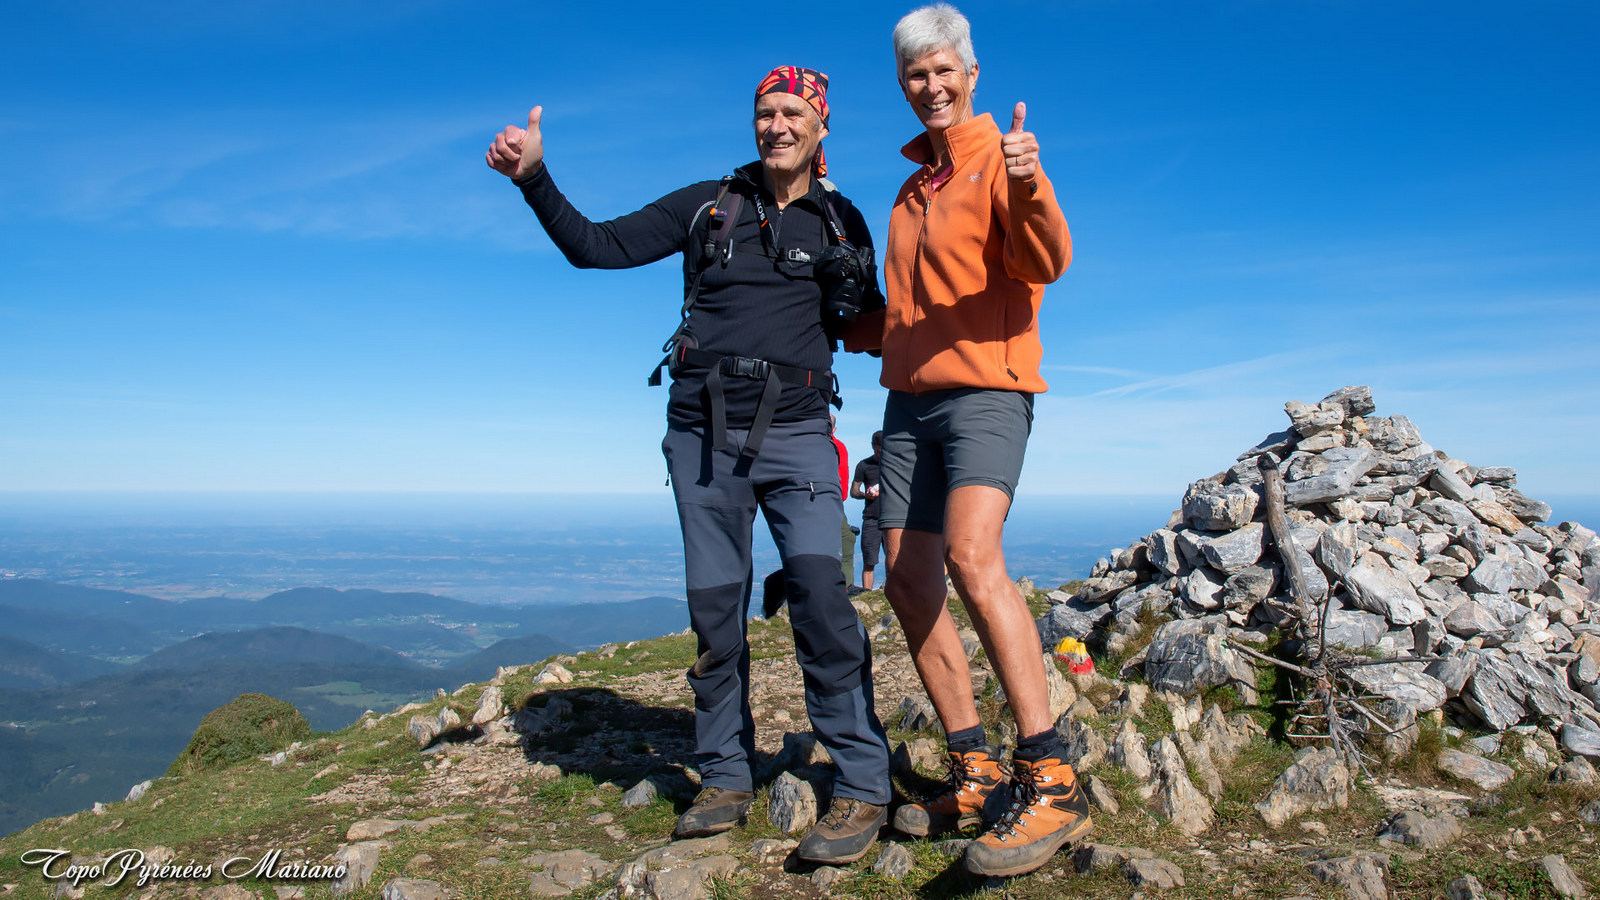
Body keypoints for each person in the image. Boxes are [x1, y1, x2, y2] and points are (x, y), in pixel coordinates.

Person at [486, 66, 892, 865]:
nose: (777, 125)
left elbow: (868, 326)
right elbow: (598, 247)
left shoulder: (843, 220)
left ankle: (862, 783)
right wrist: (533, 177)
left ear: (821, 126)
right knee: (715, 610)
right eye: (765, 112)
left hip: (800, 431)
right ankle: (725, 775)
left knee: (820, 597)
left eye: (793, 112)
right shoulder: (710, 204)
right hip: (702, 434)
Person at [843, 4, 1087, 878]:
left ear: (971, 74)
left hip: (987, 391)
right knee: (909, 579)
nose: (931, 85)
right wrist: (837, 319)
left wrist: (1029, 181)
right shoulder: (911, 191)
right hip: (909, 405)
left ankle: (1051, 777)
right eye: (916, 74)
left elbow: (1044, 261)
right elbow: (908, 312)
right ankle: (975, 769)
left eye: (944, 69)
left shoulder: (1000, 160)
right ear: (902, 84)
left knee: (973, 557)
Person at [848, 431, 884, 591]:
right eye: (878, 451)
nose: (881, 454)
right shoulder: (863, 465)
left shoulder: (894, 465)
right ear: (873, 447)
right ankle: (867, 593)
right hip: (871, 519)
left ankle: (895, 594)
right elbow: (853, 491)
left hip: (892, 519)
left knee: (895, 560)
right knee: (869, 561)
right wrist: (866, 495)